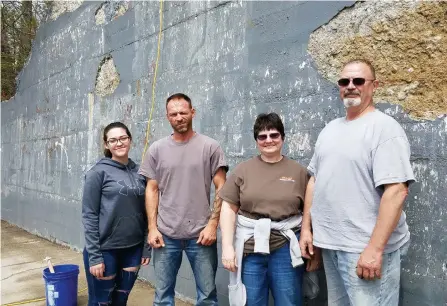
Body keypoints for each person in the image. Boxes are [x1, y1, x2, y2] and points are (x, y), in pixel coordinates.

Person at [300, 59, 415, 306]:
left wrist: (374, 250)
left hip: (364, 250)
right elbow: (315, 181)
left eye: (358, 81)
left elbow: (396, 191)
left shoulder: (385, 129)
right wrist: (307, 229)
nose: (350, 86)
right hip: (331, 246)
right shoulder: (329, 130)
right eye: (344, 81)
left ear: (373, 86)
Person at [219, 112, 321, 306]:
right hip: (251, 247)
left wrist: (314, 250)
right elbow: (228, 208)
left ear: (282, 137)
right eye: (262, 136)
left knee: (289, 301)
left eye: (274, 135)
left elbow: (311, 212)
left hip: (286, 248)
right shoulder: (243, 170)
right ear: (256, 140)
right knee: (252, 302)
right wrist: (227, 247)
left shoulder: (299, 172)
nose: (268, 140)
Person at [138, 93, 228, 306]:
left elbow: (222, 187)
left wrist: (213, 225)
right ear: (167, 117)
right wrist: (152, 228)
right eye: (173, 114)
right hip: (166, 234)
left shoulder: (210, 147)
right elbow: (151, 189)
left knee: (207, 297)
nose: (179, 117)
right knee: (162, 298)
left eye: (183, 113)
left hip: (201, 234)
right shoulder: (157, 150)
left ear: (192, 113)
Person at [82, 122, 151, 306]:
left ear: (130, 140)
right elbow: (89, 215)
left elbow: (147, 213)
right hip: (105, 250)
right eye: (113, 140)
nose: (119, 143)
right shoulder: (97, 173)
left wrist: (145, 247)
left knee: (121, 300)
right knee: (101, 302)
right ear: (106, 145)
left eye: (123, 138)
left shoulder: (140, 172)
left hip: (133, 249)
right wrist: (95, 256)